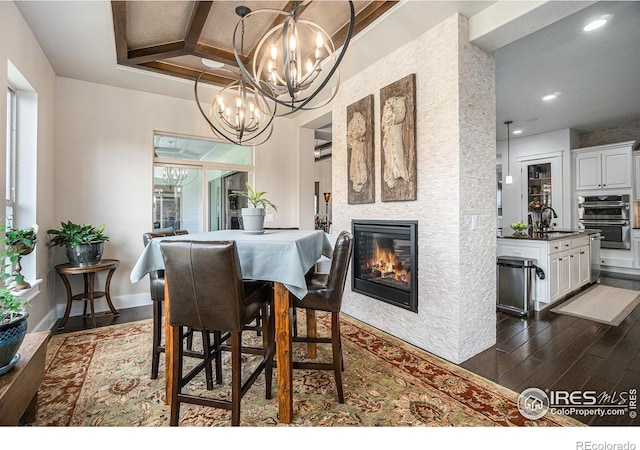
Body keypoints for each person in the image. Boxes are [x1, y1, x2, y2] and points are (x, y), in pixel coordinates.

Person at [381, 95, 409, 189]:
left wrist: (390, 114)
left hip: (396, 132)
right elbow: (384, 123)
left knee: (396, 152)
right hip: (388, 134)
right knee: (388, 154)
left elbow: (400, 117)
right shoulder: (387, 104)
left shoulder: (400, 101)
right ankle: (392, 174)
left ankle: (399, 172)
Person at [347, 111, 368, 193]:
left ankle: (360, 177)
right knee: (356, 162)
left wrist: (355, 135)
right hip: (356, 145)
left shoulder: (360, 119)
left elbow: (362, 130)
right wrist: (352, 137)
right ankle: (357, 177)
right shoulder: (352, 122)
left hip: (359, 144)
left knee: (360, 160)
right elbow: (349, 135)